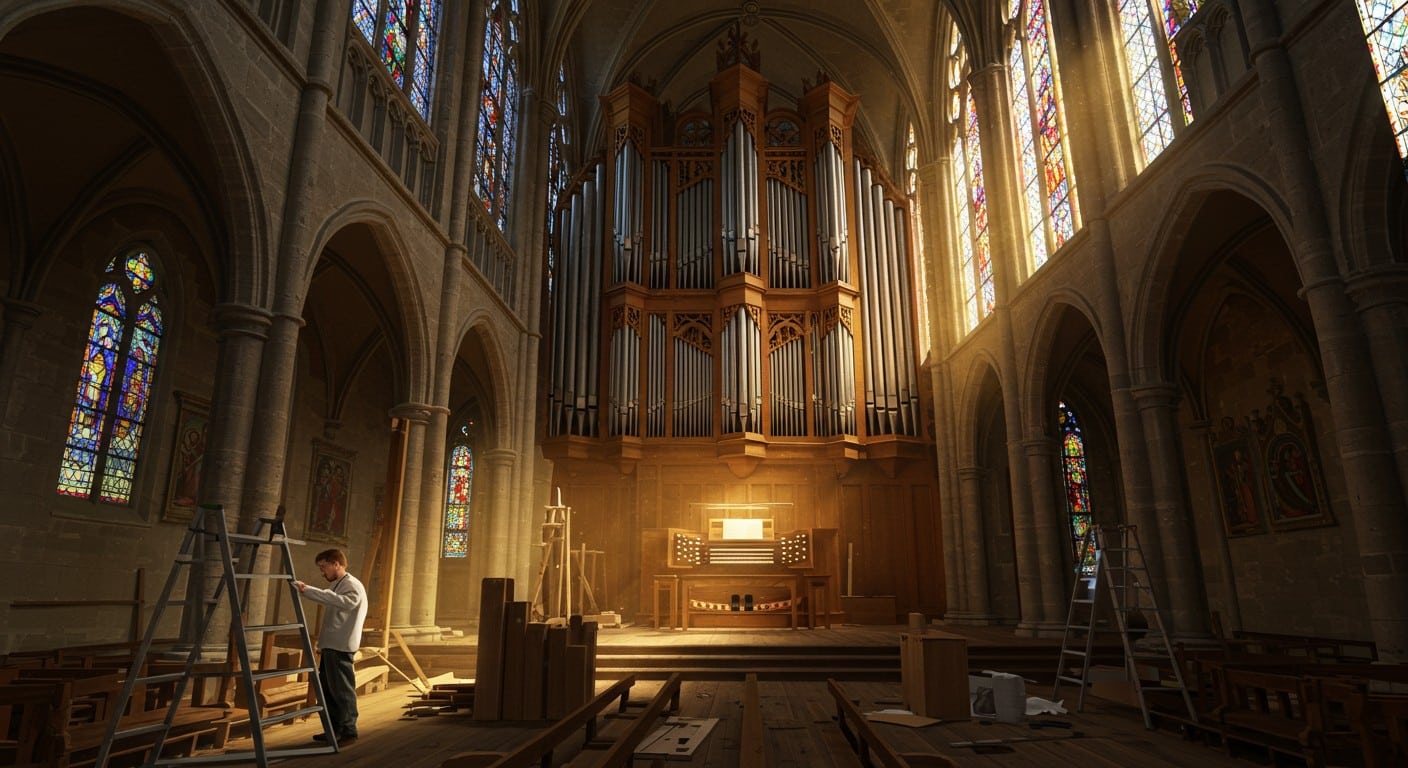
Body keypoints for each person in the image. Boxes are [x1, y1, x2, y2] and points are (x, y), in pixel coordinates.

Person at [294, 548, 368, 745]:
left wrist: (309, 591)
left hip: (340, 646)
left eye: (324, 566)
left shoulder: (351, 585)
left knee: (342, 691)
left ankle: (349, 732)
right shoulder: (339, 584)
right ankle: (334, 730)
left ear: (336, 563)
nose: (322, 572)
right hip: (332, 645)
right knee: (328, 690)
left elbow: (346, 603)